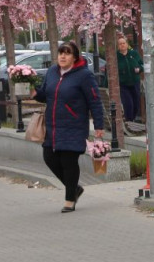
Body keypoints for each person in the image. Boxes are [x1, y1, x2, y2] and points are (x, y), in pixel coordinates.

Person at [30, 41, 105, 213]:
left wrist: (99, 124)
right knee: (49, 157)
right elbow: (45, 95)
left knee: (68, 161)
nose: (63, 56)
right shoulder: (52, 72)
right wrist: (34, 92)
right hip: (53, 125)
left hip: (74, 125)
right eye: (60, 53)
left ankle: (70, 200)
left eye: (67, 53)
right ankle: (75, 189)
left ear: (75, 57)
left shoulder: (84, 75)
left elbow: (94, 100)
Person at [115, 35, 144, 123]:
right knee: (128, 103)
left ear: (127, 44)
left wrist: (139, 69)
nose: (122, 45)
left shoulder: (133, 54)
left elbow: (141, 64)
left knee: (136, 103)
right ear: (118, 46)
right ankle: (129, 121)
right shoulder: (116, 56)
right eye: (120, 44)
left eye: (124, 43)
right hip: (123, 84)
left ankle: (132, 119)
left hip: (135, 82)